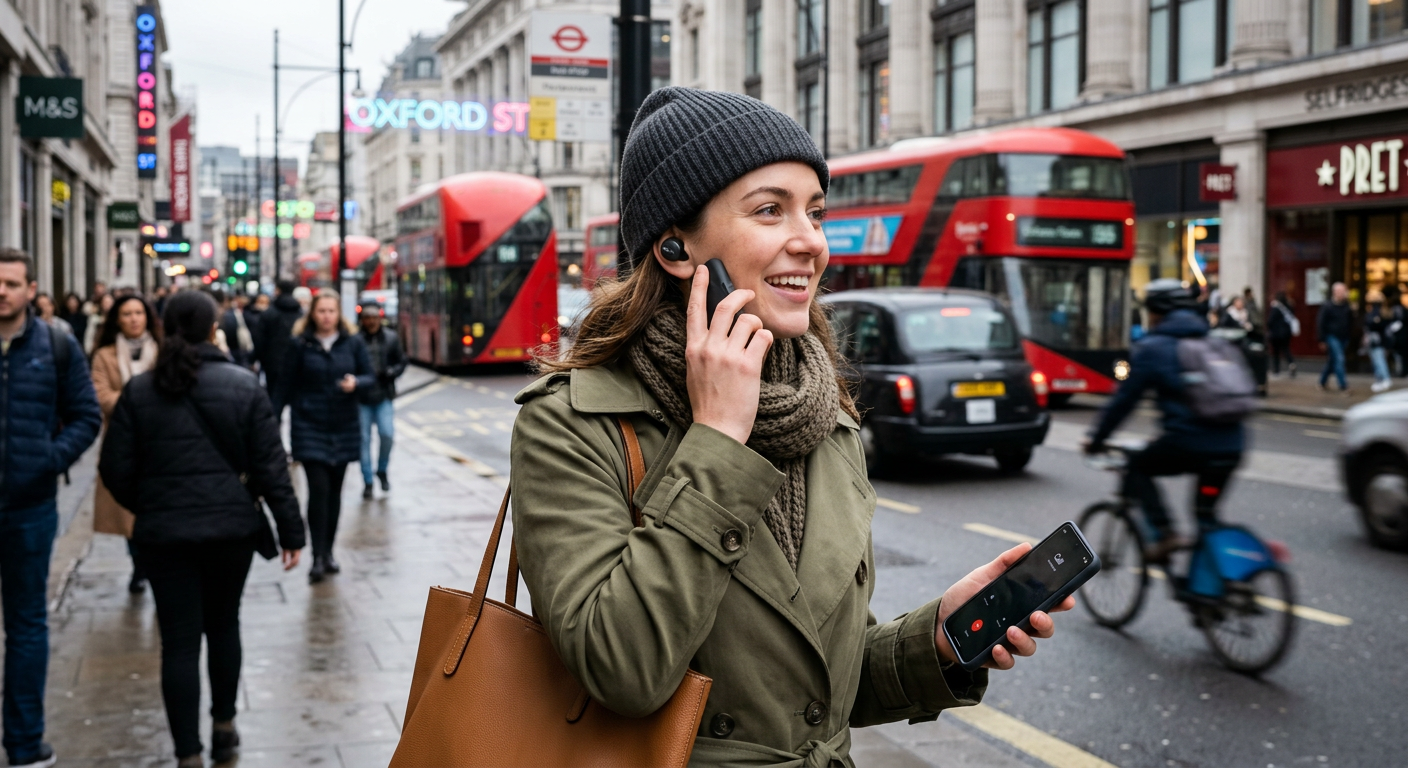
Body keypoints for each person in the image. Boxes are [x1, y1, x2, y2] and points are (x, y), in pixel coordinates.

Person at [512, 88, 1071, 766]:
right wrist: (717, 438)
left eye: (816, 212)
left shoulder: (821, 412)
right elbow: (622, 670)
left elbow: (813, 686)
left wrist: (941, 639)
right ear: (674, 247)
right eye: (770, 210)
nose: (810, 241)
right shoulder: (572, 423)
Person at [99, 291, 304, 768]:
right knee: (224, 623)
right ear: (216, 329)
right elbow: (272, 467)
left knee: (179, 640)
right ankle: (224, 727)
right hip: (231, 531)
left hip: (163, 534)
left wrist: (149, 503)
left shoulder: (141, 390)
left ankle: (187, 753)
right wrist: (292, 533)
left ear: (164, 329)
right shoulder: (243, 385)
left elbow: (114, 469)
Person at [0, 248, 101, 768]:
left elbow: (86, 415)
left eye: (12, 283)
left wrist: (49, 459)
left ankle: (22, 743)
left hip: (29, 508)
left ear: (31, 290)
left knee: (26, 626)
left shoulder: (57, 345)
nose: (2, 292)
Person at [1084, 279, 1245, 563]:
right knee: (1205, 516)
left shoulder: (1154, 347)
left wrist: (1096, 439)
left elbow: (1124, 401)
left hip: (1190, 442)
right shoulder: (1211, 340)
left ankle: (1165, 531)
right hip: (1234, 442)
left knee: (1137, 466)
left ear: (1155, 311)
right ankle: (1219, 588)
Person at [274, 291, 373, 583]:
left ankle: (329, 552)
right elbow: (284, 385)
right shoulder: (300, 344)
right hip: (309, 425)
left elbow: (370, 376)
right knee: (318, 491)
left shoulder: (352, 342)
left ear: (338, 314)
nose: (326, 316)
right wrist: (271, 418)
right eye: (321, 311)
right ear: (312, 314)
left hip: (343, 426)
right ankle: (317, 556)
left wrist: (356, 382)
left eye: (331, 311)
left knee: (334, 492)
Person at [90, 295, 162, 593]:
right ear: (116, 319)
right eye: (126, 314)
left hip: (160, 443)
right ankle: (138, 566)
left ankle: (155, 564)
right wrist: (146, 398)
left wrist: (132, 399)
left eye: (138, 313)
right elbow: (101, 397)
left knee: (156, 508)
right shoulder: (104, 355)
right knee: (128, 513)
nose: (133, 319)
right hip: (123, 443)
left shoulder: (163, 351)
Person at [356, 306, 407, 499]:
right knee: (363, 440)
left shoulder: (391, 338)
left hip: (384, 395)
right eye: (367, 317)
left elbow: (402, 361)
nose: (371, 321)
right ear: (362, 320)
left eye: (374, 317)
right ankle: (368, 481)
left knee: (387, 435)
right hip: (362, 398)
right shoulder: (356, 340)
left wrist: (392, 372)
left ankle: (382, 469)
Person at [255, 280, 303, 396]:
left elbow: (259, 340)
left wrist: (261, 359)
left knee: (274, 397)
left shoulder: (268, 313)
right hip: (296, 364)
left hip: (272, 363)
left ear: (278, 291)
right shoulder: (300, 313)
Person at [1317, 281, 1353, 393]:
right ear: (1334, 292)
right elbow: (1320, 323)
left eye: (1344, 291)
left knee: (1333, 361)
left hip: (1344, 337)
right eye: (1340, 291)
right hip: (1332, 336)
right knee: (1339, 359)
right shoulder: (1327, 306)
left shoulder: (1347, 306)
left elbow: (1351, 321)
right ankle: (1343, 385)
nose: (1342, 293)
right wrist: (1322, 339)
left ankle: (1322, 382)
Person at [1365, 290, 1393, 393]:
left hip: (1376, 340)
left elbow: (1372, 323)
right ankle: (1379, 381)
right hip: (1382, 340)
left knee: (1378, 360)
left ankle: (1385, 379)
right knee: (1378, 360)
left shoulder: (1375, 311)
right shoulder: (1384, 310)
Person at [1266, 291, 1298, 377]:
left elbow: (1270, 321)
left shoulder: (1276, 307)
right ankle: (1291, 363)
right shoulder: (1289, 306)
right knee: (1286, 349)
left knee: (1276, 352)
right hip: (1287, 332)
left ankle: (1276, 370)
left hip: (1276, 333)